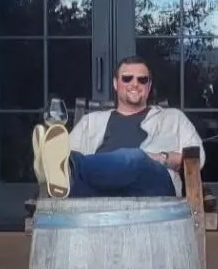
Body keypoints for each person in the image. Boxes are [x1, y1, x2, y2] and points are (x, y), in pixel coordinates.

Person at [31, 56, 205, 199]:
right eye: (127, 78)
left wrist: (162, 158)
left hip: (152, 191)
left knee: (135, 157)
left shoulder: (173, 118)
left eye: (142, 80)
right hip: (97, 194)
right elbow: (63, 159)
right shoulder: (90, 122)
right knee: (68, 165)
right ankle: (48, 167)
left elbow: (198, 158)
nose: (135, 84)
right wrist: (62, 165)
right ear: (115, 83)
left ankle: (50, 167)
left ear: (149, 86)